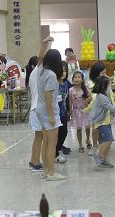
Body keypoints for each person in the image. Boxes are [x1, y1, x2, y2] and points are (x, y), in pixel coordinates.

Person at [36, 37, 67, 181]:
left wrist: (46, 43)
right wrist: (51, 115)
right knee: (52, 143)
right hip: (48, 111)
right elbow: (49, 95)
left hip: (40, 109)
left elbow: (41, 57)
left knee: (46, 142)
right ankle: (51, 172)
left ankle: (46, 171)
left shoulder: (41, 71)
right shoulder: (52, 75)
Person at [89, 75, 115, 168]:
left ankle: (103, 159)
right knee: (109, 140)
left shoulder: (104, 95)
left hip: (104, 121)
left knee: (104, 141)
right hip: (101, 122)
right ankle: (98, 155)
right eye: (109, 85)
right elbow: (110, 107)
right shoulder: (102, 97)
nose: (110, 87)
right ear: (104, 86)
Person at [26, 54, 45, 172]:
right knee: (39, 137)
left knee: (38, 137)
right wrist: (47, 43)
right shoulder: (36, 72)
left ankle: (34, 161)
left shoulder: (35, 75)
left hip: (36, 110)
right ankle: (35, 162)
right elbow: (42, 58)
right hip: (37, 110)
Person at [69, 71, 92, 154]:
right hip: (76, 112)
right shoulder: (70, 90)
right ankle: (80, 144)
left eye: (79, 77)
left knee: (87, 127)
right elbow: (70, 102)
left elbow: (91, 97)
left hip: (85, 111)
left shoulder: (85, 89)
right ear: (72, 79)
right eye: (75, 77)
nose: (77, 79)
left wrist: (89, 100)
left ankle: (88, 139)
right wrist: (70, 112)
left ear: (82, 79)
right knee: (78, 129)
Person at [87, 62, 107, 155]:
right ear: (96, 73)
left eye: (105, 73)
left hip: (104, 109)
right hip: (95, 109)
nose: (105, 75)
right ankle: (95, 146)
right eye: (103, 73)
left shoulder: (105, 81)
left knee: (103, 128)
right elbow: (89, 95)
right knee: (95, 128)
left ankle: (103, 145)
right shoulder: (90, 83)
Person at [55, 61, 70, 164]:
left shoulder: (67, 83)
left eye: (65, 71)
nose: (63, 73)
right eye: (61, 71)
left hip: (63, 112)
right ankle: (54, 153)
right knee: (57, 134)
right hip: (56, 113)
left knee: (64, 132)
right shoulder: (55, 83)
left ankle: (57, 149)